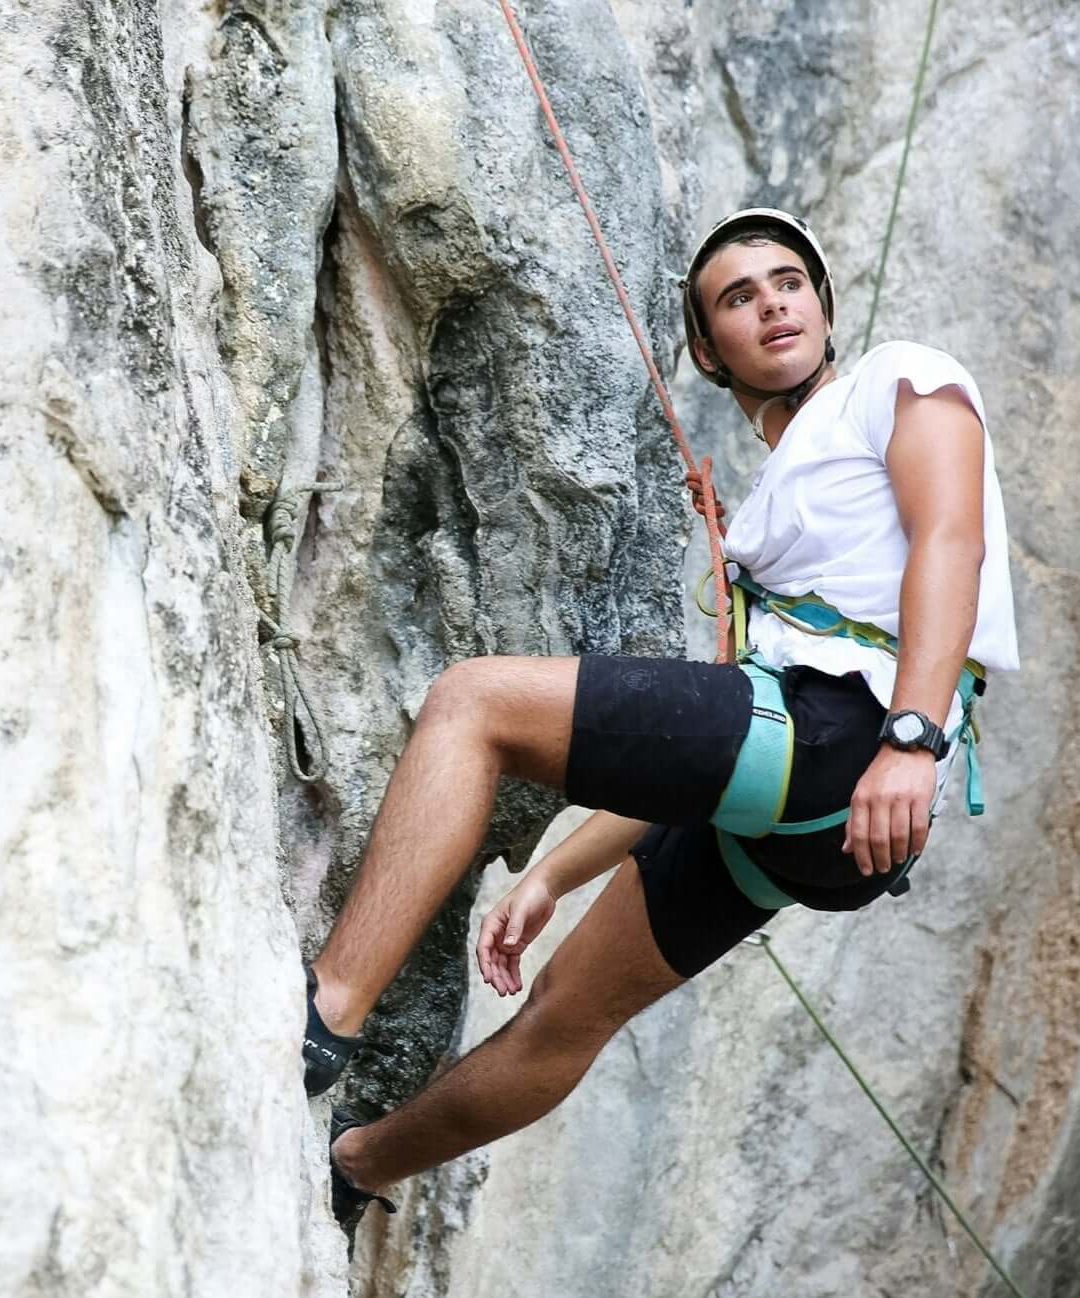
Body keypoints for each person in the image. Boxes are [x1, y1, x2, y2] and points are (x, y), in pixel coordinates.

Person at [299, 208, 1020, 1227]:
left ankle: (324, 1012)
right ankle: (357, 1162)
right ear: (703, 348)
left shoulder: (900, 377)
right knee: (564, 1012)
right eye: (737, 296)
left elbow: (952, 540)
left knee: (472, 702)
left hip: (853, 747)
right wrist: (552, 872)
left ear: (823, 304)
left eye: (788, 281)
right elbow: (726, 756)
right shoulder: (782, 491)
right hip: (825, 815)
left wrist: (910, 734)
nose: (771, 301)